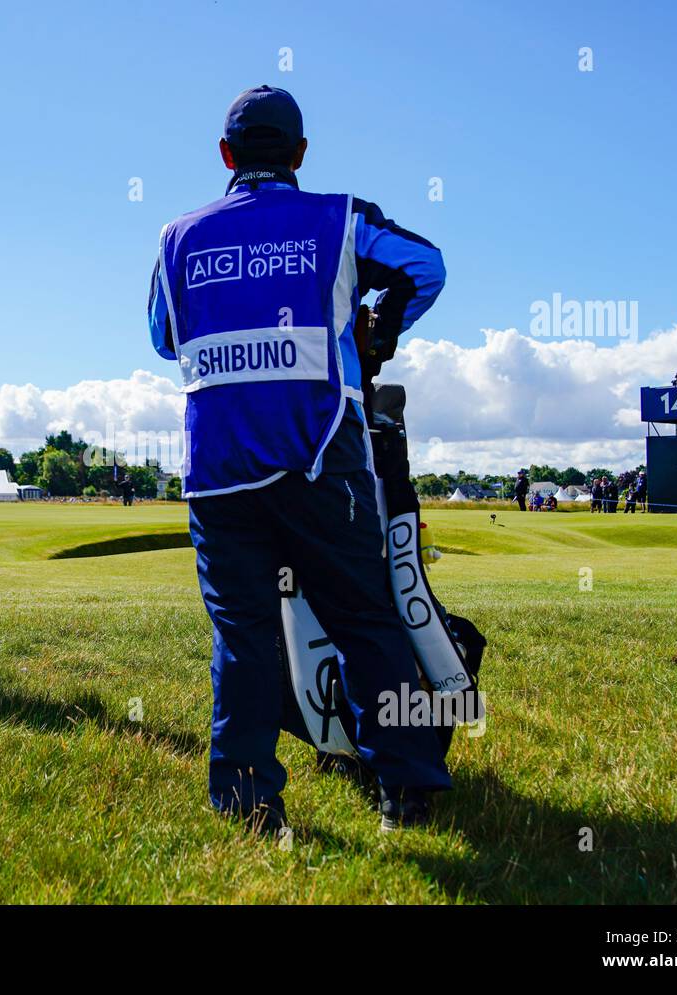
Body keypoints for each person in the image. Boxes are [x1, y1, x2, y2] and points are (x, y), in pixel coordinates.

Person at [147, 85, 449, 833]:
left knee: (242, 637)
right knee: (365, 621)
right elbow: (426, 265)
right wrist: (377, 329)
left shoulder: (177, 236)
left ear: (225, 156)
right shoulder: (337, 217)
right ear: (300, 154)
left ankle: (251, 808)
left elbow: (163, 336)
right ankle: (405, 793)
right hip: (319, 451)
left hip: (218, 467)